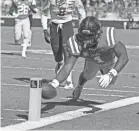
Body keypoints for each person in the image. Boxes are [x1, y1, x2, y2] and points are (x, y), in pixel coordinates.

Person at [46, 16, 129, 100]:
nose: (85, 40)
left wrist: (111, 74)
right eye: (83, 36)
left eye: (89, 36)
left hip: (108, 60)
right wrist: (54, 83)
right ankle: (79, 86)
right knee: (87, 75)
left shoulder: (107, 35)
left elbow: (124, 56)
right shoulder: (75, 42)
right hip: (92, 60)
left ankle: (105, 72)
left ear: (98, 33)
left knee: (111, 82)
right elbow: (68, 66)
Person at [40, 0, 86, 89]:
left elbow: (82, 13)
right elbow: (44, 13)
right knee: (57, 54)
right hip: (54, 25)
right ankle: (60, 64)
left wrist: (81, 29)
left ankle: (69, 81)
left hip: (67, 25)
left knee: (68, 53)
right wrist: (45, 30)